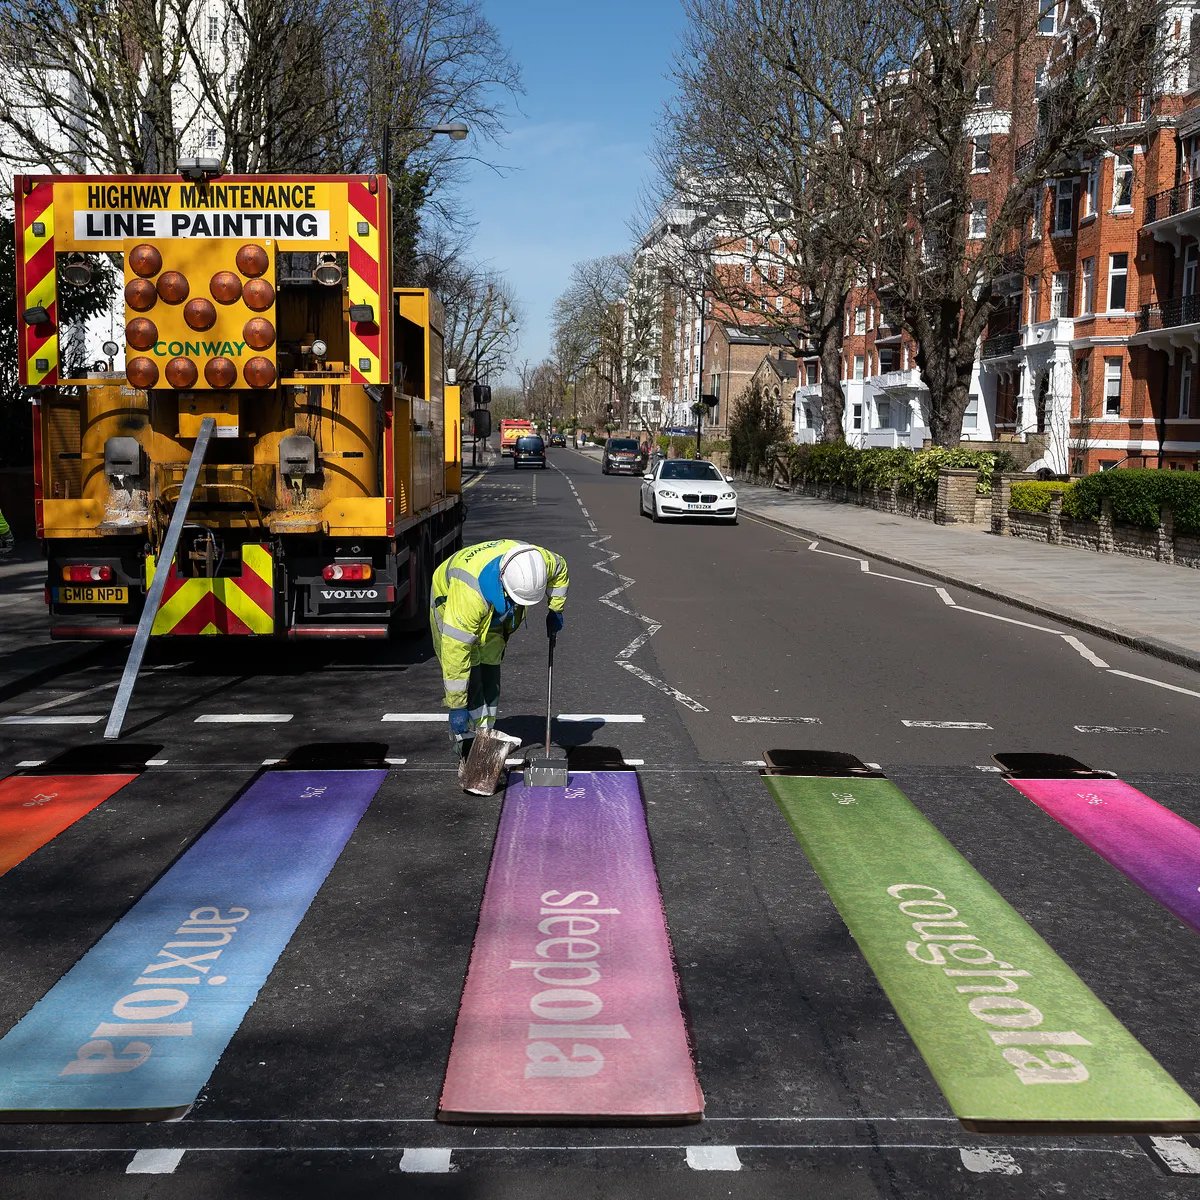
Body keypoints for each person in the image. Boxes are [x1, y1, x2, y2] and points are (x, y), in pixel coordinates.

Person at [429, 540, 569, 745]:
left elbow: (560, 570)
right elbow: (455, 652)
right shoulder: (469, 597)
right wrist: (456, 705)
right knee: (471, 668)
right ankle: (467, 737)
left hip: (492, 600)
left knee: (491, 661)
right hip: (450, 597)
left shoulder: (541, 561)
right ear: (505, 586)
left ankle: (486, 731)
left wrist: (555, 609)